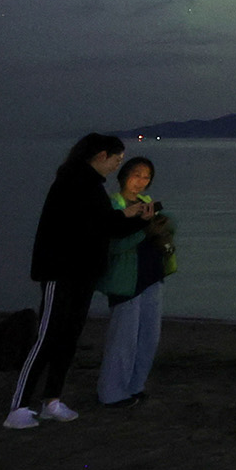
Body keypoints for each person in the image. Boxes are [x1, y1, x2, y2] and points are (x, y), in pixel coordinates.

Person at [5, 133, 154, 430]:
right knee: (47, 337)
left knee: (69, 337)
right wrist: (131, 219)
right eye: (117, 160)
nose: (117, 166)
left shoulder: (91, 186)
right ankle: (18, 407)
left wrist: (132, 216)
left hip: (84, 273)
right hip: (61, 272)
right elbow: (96, 226)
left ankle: (52, 401)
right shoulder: (74, 182)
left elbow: (100, 225)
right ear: (101, 155)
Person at [98, 156, 175, 406]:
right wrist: (144, 229)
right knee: (123, 339)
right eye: (136, 175)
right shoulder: (113, 205)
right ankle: (111, 393)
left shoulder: (146, 203)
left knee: (148, 337)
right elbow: (114, 245)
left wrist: (162, 228)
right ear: (123, 176)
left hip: (151, 275)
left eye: (146, 177)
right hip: (126, 280)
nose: (141, 181)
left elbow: (157, 236)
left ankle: (135, 386)